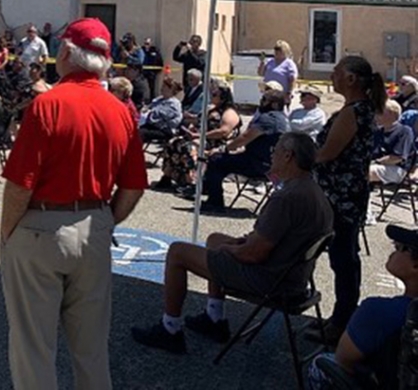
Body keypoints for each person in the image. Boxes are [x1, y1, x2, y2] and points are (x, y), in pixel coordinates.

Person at [0, 18, 147, 389]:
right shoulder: (121, 111)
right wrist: (105, 220)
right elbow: (133, 187)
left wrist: (7, 234)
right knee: (92, 349)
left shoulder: (47, 105)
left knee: (34, 348)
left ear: (65, 52)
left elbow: (19, 185)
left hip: (41, 227)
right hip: (95, 225)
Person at [132, 132, 333, 353]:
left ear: (288, 156)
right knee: (214, 239)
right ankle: (214, 318)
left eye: (275, 151)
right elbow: (274, 239)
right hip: (291, 275)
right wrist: (241, 243)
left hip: (269, 279)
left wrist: (232, 249)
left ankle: (170, 329)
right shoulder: (312, 190)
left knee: (178, 252)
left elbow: (253, 255)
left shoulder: (287, 198)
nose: (272, 155)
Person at [314, 54, 387, 344]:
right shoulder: (359, 109)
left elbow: (329, 153)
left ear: (351, 78)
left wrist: (304, 159)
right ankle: (340, 318)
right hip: (347, 192)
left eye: (336, 72)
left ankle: (342, 322)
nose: (332, 76)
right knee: (343, 256)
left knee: (343, 258)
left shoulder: (352, 112)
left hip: (341, 195)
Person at [307, 224, 418, 389]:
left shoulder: (379, 311)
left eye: (401, 247)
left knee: (321, 365)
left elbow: (343, 360)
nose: (394, 250)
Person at [193, 89, 290, 212]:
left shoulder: (269, 119)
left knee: (215, 160)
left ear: (275, 104)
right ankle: (207, 189)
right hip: (269, 163)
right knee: (223, 160)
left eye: (265, 100)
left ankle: (214, 201)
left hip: (260, 165)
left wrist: (223, 149)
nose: (261, 102)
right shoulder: (283, 118)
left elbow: (245, 138)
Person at [156, 83, 240, 192]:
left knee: (188, 148)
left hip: (218, 144)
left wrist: (200, 136)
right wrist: (192, 127)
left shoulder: (229, 113)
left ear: (223, 97)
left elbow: (223, 132)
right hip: (202, 138)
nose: (212, 96)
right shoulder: (212, 109)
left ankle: (192, 182)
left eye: (215, 95)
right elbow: (198, 120)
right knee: (174, 142)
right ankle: (168, 176)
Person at [370, 99, 414, 186]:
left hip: (397, 169)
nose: (376, 115)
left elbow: (397, 158)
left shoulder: (404, 131)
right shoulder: (378, 131)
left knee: (365, 172)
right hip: (378, 165)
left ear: (392, 114)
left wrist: (376, 162)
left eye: (380, 112)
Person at [139, 76, 184, 145]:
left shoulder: (174, 104)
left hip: (164, 129)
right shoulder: (159, 99)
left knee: (140, 133)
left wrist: (149, 112)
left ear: (171, 89)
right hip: (152, 126)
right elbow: (149, 107)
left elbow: (160, 116)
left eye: (164, 87)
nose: (162, 88)